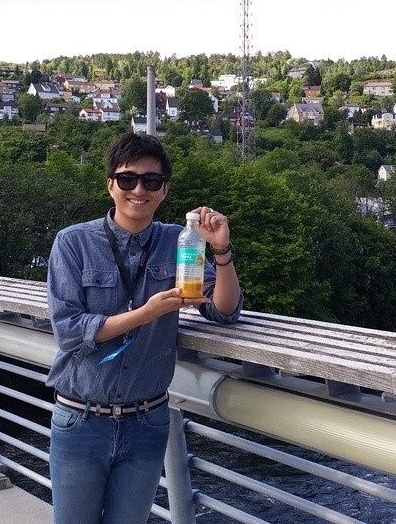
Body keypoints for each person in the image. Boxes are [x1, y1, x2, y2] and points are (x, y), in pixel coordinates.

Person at [46, 132, 242, 524]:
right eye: (127, 179)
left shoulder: (179, 241)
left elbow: (224, 310)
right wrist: (146, 313)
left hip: (147, 421)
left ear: (164, 190)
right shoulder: (73, 243)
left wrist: (221, 249)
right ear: (110, 185)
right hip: (81, 419)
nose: (139, 190)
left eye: (151, 181)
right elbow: (69, 331)